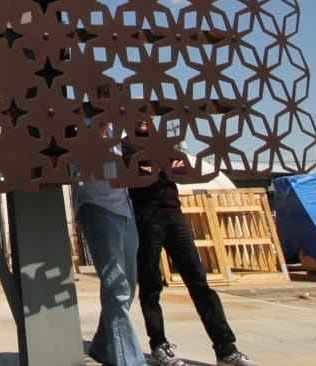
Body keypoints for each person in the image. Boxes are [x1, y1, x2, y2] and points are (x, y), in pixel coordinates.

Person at [123, 120, 258, 366]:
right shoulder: (127, 146)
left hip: (175, 216)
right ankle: (159, 345)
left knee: (199, 282)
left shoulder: (163, 143)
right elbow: (142, 175)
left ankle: (226, 349)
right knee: (151, 285)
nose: (142, 119)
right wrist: (164, 167)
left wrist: (159, 167)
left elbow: (181, 170)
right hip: (147, 218)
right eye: (137, 113)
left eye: (147, 114)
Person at [71, 150, 144, 366]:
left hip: (124, 208)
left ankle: (103, 345)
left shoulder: (119, 126)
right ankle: (131, 361)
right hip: (96, 203)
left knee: (128, 284)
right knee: (117, 287)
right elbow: (79, 161)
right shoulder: (80, 122)